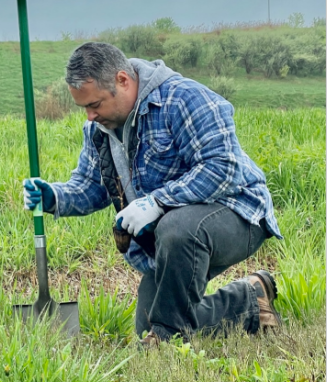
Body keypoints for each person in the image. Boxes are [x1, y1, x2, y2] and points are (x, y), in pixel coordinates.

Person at [23, 42, 282, 346]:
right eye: (85, 108)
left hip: (238, 215)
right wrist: (54, 196)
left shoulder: (184, 99)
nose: (90, 116)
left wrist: (157, 202)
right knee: (149, 319)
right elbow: (91, 187)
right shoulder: (100, 129)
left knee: (177, 231)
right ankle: (250, 300)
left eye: (95, 104)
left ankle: (164, 341)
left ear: (122, 80)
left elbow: (223, 168)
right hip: (174, 237)